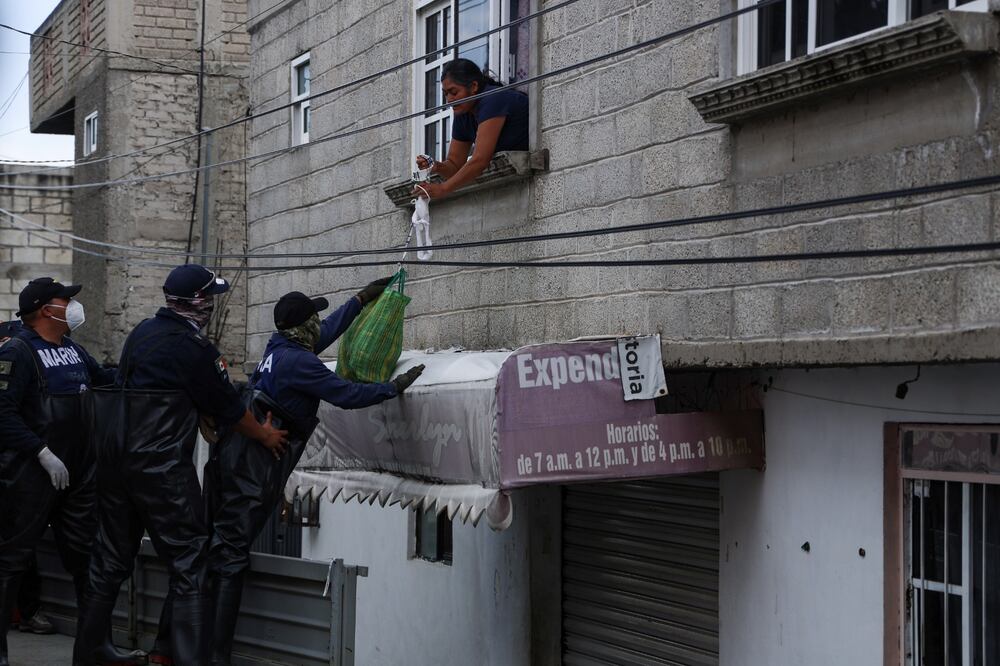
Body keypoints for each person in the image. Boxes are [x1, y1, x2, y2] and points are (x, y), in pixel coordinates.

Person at [153, 279, 424, 666]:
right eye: (314, 317)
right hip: (254, 467)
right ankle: (214, 656)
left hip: (230, 456)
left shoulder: (278, 348)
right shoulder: (300, 362)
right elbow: (346, 395)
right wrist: (391, 389)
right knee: (228, 558)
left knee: (202, 552)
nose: (319, 323)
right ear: (303, 328)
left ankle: (167, 649)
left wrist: (359, 300)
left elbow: (324, 332)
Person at [72, 265, 288, 666]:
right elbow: (228, 407)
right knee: (191, 563)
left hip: (115, 459)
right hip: (160, 466)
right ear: (198, 302)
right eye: (211, 298)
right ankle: (191, 659)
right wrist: (264, 435)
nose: (212, 306)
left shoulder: (142, 332)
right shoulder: (193, 348)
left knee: (111, 558)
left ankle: (90, 653)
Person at [0, 279, 145, 666]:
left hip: (79, 475)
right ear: (47, 310)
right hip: (31, 474)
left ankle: (95, 647)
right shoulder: (18, 352)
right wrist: (41, 452)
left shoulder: (72, 350)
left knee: (89, 559)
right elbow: (2, 412)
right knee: (11, 561)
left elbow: (108, 381)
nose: (73, 305)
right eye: (67, 299)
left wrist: (147, 371)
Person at [412, 58, 528, 200]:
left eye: (453, 92)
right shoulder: (463, 112)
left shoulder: (493, 99)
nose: (449, 99)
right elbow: (454, 166)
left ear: (473, 87)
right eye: (445, 94)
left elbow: (480, 160)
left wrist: (443, 188)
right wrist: (435, 166)